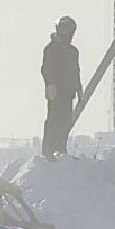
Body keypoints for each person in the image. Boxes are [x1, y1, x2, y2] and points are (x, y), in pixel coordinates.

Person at [41, 15, 82, 158]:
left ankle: (61, 147)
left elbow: (76, 71)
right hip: (55, 92)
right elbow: (46, 69)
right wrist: (50, 85)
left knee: (65, 120)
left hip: (68, 92)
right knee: (53, 119)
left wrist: (79, 89)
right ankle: (48, 150)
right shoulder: (51, 49)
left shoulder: (73, 51)